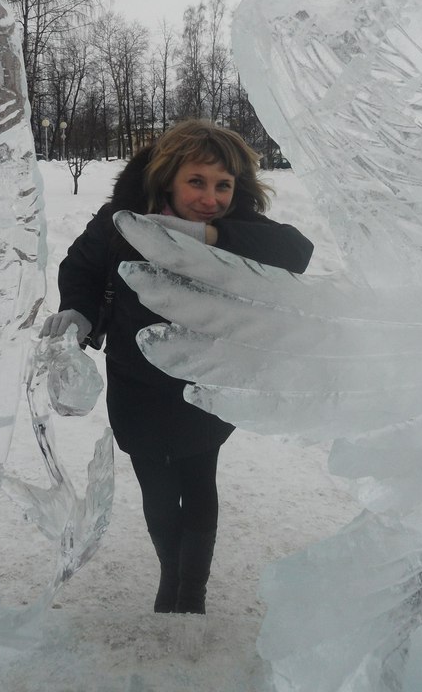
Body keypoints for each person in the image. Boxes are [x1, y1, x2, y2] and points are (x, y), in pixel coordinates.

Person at [41, 120, 313, 615]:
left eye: (223, 186)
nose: (211, 197)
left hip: (204, 384)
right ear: (169, 178)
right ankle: (172, 573)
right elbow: (80, 267)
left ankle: (191, 592)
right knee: (158, 490)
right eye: (197, 182)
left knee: (198, 480)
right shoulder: (122, 220)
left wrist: (208, 235)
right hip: (135, 382)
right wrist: (77, 311)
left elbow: (297, 252)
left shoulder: (239, 226)